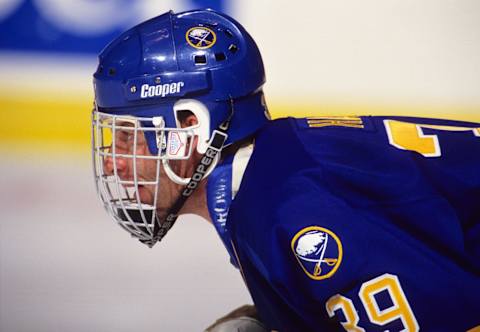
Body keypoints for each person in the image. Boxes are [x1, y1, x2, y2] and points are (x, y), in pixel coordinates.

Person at [92, 9, 480, 332]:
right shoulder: (269, 177)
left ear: (191, 128)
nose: (113, 160)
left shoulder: (293, 210)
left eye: (129, 137)